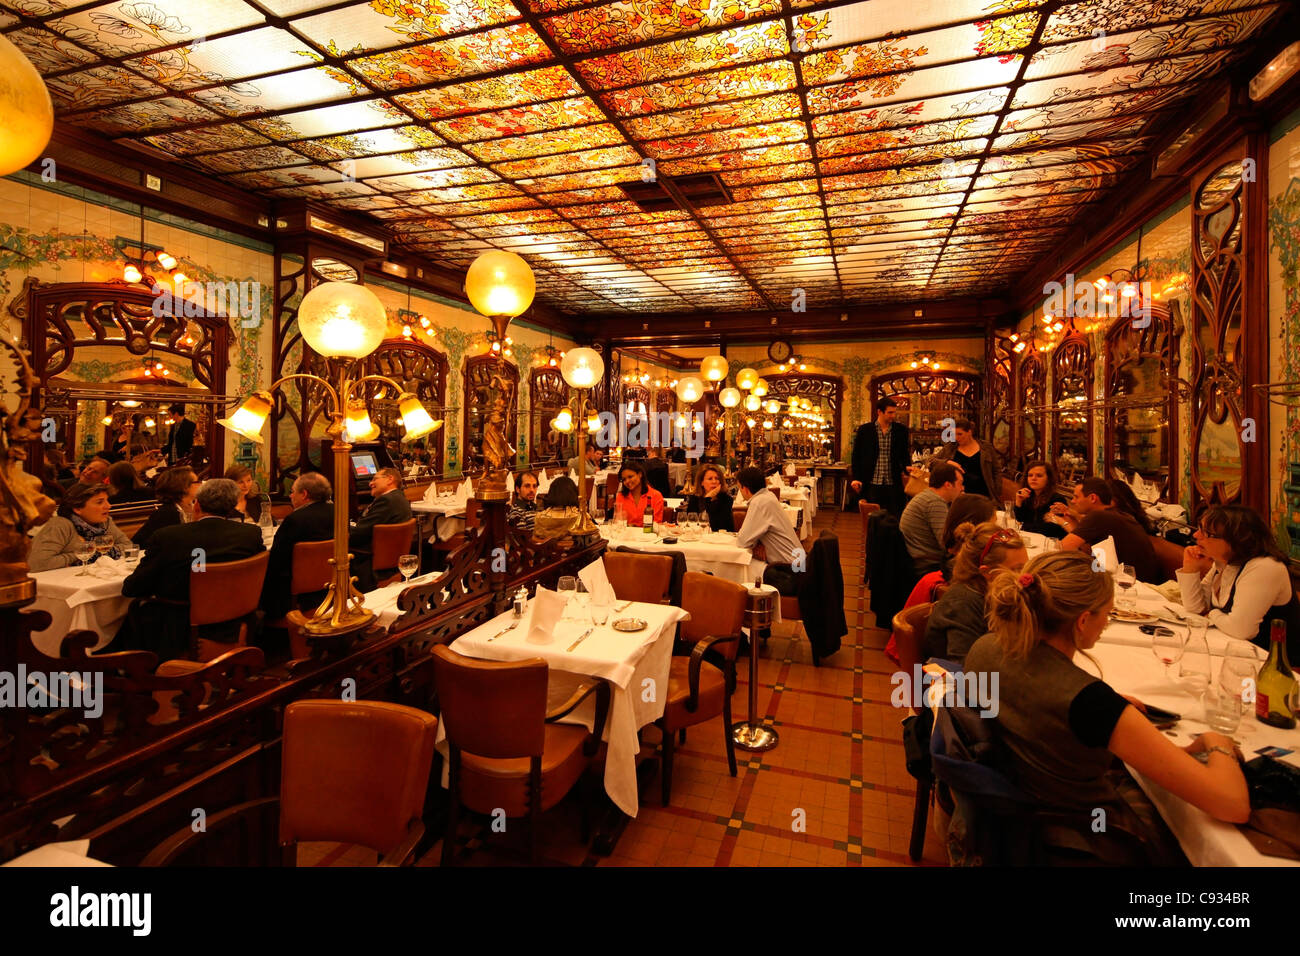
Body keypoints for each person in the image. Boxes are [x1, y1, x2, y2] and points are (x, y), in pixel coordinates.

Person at [966, 551, 1250, 859]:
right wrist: (1216, 742)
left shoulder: (985, 647)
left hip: (1012, 823)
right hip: (1085, 841)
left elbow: (1030, 707)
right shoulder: (1090, 704)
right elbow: (1232, 805)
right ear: (1084, 620)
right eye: (1107, 614)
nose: (1106, 625)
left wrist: (1116, 719)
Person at [117, 479, 265, 660]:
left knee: (134, 610)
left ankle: (126, 670)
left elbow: (133, 588)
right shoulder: (249, 535)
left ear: (197, 506)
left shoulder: (169, 537)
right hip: (235, 617)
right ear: (232, 506)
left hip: (181, 623)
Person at [1177, 505, 1300, 649]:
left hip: (1278, 664)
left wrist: (1211, 613)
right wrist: (1190, 568)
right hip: (1237, 650)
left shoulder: (1265, 567)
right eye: (1199, 528)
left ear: (1236, 540)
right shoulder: (1224, 562)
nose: (1196, 535)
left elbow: (1241, 630)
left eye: (1206, 533)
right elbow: (1195, 607)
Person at [922, 522, 1028, 665]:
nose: (1024, 576)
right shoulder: (963, 604)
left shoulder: (994, 593)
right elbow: (963, 671)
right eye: (1016, 569)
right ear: (986, 572)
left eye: (1026, 567)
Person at [1055, 477, 1162, 583]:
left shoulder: (1099, 516)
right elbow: (1088, 551)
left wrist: (1063, 523)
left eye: (1076, 497)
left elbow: (1063, 548)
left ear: (1093, 498)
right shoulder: (1118, 514)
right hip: (1133, 579)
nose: (1073, 501)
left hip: (1131, 584)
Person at [262, 472, 334, 620]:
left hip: (291, 594)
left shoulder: (295, 519)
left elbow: (276, 559)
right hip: (329, 586)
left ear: (304, 494)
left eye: (292, 492)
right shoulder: (338, 512)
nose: (290, 496)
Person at [28, 482, 133, 571]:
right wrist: (81, 553)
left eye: (107, 500)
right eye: (100, 502)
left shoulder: (104, 522)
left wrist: (91, 551)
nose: (108, 506)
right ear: (78, 508)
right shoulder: (60, 525)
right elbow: (37, 563)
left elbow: (128, 546)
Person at [735, 466, 804, 597]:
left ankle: (741, 605)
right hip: (800, 566)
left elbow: (742, 541)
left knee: (739, 568)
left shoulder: (759, 502)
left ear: (745, 488)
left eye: (739, 488)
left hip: (790, 575)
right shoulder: (768, 496)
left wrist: (754, 545)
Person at [348, 466, 412, 592]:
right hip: (391, 565)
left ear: (389, 479)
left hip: (369, 566)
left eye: (375, 479)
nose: (370, 483)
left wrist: (343, 525)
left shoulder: (387, 500)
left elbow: (359, 533)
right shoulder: (400, 498)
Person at [898, 461, 964, 576]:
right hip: (928, 566)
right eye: (960, 484)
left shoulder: (927, 496)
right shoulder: (934, 503)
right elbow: (947, 545)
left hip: (916, 559)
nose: (962, 488)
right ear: (948, 485)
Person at [850, 396, 910, 516]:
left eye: (894, 412)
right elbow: (856, 455)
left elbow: (905, 454)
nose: (893, 416)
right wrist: (856, 478)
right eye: (890, 412)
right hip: (871, 482)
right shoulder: (865, 430)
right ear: (879, 412)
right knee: (873, 517)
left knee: (894, 516)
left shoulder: (901, 430)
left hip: (893, 482)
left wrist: (907, 468)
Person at [930, 418, 1001, 501]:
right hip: (958, 496)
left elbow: (996, 470)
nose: (956, 438)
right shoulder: (951, 447)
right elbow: (931, 462)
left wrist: (997, 491)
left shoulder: (986, 448)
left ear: (969, 432)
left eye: (960, 434)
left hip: (983, 495)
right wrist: (948, 462)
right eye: (954, 434)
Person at [132, 466, 200, 548]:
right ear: (184, 487)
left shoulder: (190, 508)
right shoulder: (167, 513)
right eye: (197, 482)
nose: (201, 484)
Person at [1013, 460, 1068, 539]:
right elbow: (1019, 519)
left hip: (1050, 542)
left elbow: (1051, 529)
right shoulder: (1028, 496)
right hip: (1032, 538)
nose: (1033, 478)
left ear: (1048, 479)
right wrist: (1019, 501)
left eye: (1039, 475)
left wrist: (1026, 527)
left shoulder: (1057, 499)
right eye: (1030, 475)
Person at [684, 463, 734, 532]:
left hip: (720, 539)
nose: (714, 481)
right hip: (698, 538)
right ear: (701, 482)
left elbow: (715, 525)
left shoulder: (726, 499)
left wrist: (708, 498)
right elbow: (690, 523)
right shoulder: (694, 499)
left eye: (717, 478)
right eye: (710, 479)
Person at [613, 459, 664, 525]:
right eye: (624, 479)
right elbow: (618, 522)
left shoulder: (656, 496)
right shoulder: (621, 497)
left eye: (630, 477)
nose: (627, 481)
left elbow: (656, 524)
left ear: (640, 474)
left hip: (648, 534)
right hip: (627, 534)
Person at [507, 470, 540, 534]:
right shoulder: (516, 513)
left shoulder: (534, 507)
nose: (532, 490)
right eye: (527, 486)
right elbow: (523, 541)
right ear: (518, 489)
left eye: (534, 486)